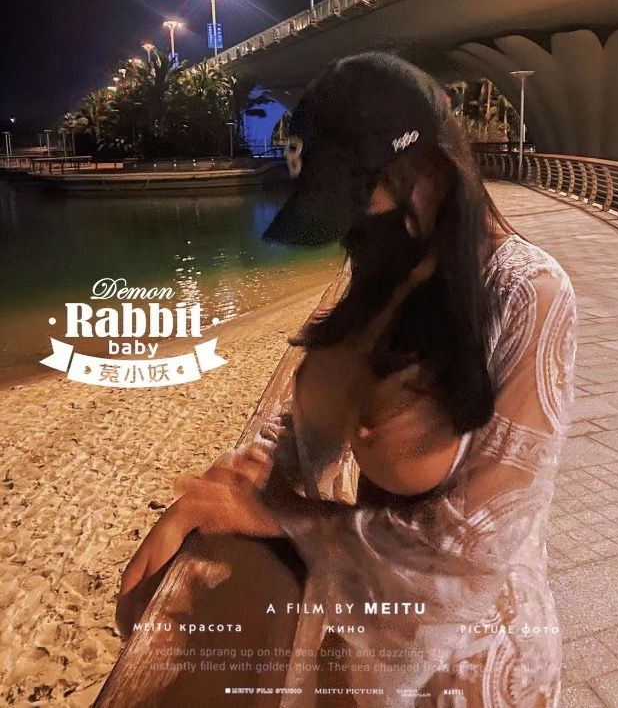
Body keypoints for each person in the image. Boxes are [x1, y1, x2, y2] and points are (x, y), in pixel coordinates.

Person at [118, 52, 576, 707]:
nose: (353, 232)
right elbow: (304, 415)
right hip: (368, 665)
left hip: (475, 673)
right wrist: (219, 489)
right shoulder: (392, 274)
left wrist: (278, 516)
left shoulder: (529, 292)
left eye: (359, 203)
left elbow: (474, 541)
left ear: (427, 176)